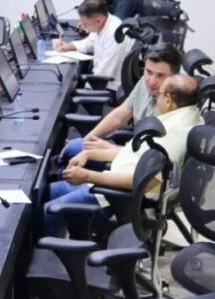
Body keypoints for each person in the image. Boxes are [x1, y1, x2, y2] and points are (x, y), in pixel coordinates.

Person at [43, 74, 201, 238]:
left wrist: (88, 176)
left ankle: (50, 255)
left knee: (43, 214)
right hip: (109, 181)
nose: (156, 98)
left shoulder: (173, 135)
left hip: (114, 195)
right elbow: (134, 153)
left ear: (168, 99)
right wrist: (89, 153)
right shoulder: (185, 115)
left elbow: (146, 182)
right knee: (43, 193)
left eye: (159, 94)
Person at [59, 43, 182, 165]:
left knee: (73, 152)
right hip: (128, 149)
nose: (152, 81)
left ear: (174, 78)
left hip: (137, 163)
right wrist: (86, 139)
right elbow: (119, 116)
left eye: (160, 76)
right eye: (148, 72)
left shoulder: (172, 107)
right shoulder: (145, 83)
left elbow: (151, 157)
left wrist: (110, 148)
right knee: (75, 147)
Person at [53, 0, 132, 87]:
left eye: (85, 24)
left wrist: (86, 89)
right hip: (100, 77)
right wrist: (70, 46)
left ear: (98, 21)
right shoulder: (104, 22)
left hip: (110, 86)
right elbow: (90, 42)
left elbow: (103, 72)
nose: (82, 26)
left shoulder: (114, 35)